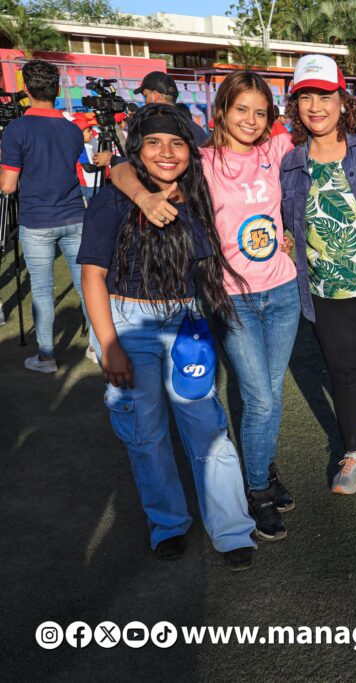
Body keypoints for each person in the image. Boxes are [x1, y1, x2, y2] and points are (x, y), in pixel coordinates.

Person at [112, 69, 356, 542]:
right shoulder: (201, 159)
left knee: (269, 394)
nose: (251, 120)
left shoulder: (276, 150)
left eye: (261, 112)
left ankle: (263, 469)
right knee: (259, 398)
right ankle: (256, 490)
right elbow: (120, 167)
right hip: (231, 297)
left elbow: (328, 131)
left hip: (281, 292)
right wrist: (142, 196)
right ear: (221, 111)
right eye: (241, 110)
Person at [77, 104, 257, 571]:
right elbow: (92, 275)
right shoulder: (114, 200)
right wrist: (108, 345)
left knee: (209, 431)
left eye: (177, 143)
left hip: (185, 320)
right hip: (129, 323)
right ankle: (168, 524)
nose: (166, 152)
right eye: (154, 142)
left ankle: (232, 530)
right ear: (137, 148)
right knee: (146, 434)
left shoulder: (198, 192)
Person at [279, 54, 356, 497]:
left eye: (325, 96)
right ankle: (354, 453)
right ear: (295, 105)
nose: (316, 106)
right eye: (306, 98)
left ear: (342, 99)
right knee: (345, 373)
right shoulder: (289, 162)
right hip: (326, 288)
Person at [0, 59, 91, 373]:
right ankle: (98, 346)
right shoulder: (72, 129)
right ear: (58, 89)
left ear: (25, 89)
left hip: (37, 221)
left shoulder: (17, 129)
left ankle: (46, 356)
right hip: (75, 216)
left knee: (41, 290)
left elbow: (7, 186)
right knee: (87, 286)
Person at [135, 71, 209, 144]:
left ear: (156, 96)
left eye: (146, 96)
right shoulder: (197, 129)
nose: (145, 102)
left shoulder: (153, 127)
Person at [73, 113, 112, 200]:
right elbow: (88, 167)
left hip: (95, 183)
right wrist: (105, 168)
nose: (92, 133)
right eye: (88, 131)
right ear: (79, 133)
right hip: (90, 185)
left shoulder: (88, 144)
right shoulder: (80, 147)